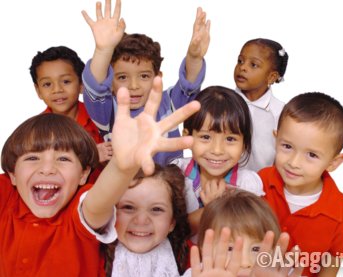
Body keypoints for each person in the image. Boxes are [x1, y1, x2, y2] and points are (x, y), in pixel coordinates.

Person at [0, 75, 200, 276]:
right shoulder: (7, 197)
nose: (47, 169)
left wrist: (122, 167)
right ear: (12, 175)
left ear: (83, 174)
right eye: (32, 158)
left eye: (63, 159)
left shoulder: (80, 215)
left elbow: (99, 201)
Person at [81, 0, 210, 165]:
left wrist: (194, 57)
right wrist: (103, 51)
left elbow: (188, 87)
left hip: (171, 185)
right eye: (122, 77)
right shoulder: (108, 111)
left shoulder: (167, 102)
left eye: (143, 76)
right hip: (125, 187)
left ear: (158, 77)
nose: (133, 86)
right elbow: (96, 87)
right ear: (110, 82)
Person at [259, 92, 343, 276]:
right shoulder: (259, 182)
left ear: (333, 162)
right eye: (287, 146)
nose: (294, 162)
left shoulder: (340, 210)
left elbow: (333, 258)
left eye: (312, 155)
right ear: (276, 140)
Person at [172, 86, 264, 236]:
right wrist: (210, 209)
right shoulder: (177, 174)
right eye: (206, 137)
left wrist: (222, 208)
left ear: (244, 145)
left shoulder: (248, 184)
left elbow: (251, 235)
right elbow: (171, 232)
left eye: (230, 139)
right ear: (186, 138)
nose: (217, 150)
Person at [29, 45, 112, 182]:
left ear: (81, 84)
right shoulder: (34, 130)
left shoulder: (100, 118)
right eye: (47, 84)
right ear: (38, 91)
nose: (57, 90)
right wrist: (91, 156)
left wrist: (106, 158)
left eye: (66, 81)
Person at [183, 189, 303, 277]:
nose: (245, 262)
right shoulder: (198, 274)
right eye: (230, 248)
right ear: (205, 248)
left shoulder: (282, 274)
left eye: (256, 249)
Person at [103, 164, 191, 276]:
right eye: (128, 207)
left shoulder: (192, 259)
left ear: (172, 222)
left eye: (156, 209)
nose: (141, 220)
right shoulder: (93, 253)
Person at [233, 38, 289, 172]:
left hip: (262, 185)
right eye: (240, 61)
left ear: (271, 77)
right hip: (223, 181)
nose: (243, 67)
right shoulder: (222, 102)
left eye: (253, 65)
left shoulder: (281, 113)